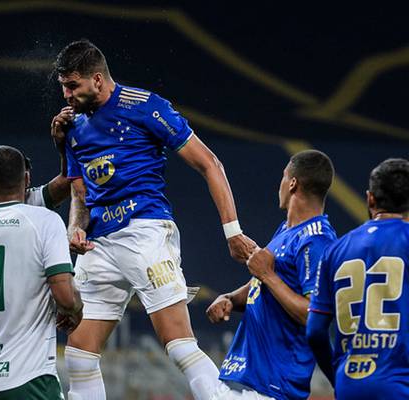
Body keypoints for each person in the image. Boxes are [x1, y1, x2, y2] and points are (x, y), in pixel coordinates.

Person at [50, 39, 257, 400]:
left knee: (178, 344)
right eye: (63, 87)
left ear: (97, 79)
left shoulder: (145, 106)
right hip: (100, 245)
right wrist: (75, 228)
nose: (67, 95)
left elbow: (209, 163)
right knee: (80, 355)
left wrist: (232, 231)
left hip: (144, 232)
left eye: (72, 86)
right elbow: (80, 194)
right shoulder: (71, 127)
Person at [0, 146, 83, 399]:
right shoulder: (44, 221)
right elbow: (66, 298)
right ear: (27, 178)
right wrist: (77, 308)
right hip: (28, 378)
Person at [206, 150, 337, 399]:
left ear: (293, 183)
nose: (280, 185)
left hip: (274, 384)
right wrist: (230, 299)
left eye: (283, 177)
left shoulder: (317, 240)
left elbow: (314, 315)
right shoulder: (286, 230)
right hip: (248, 377)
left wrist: (268, 275)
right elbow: (261, 284)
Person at [307, 158, 409, 400]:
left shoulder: (335, 250)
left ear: (370, 199)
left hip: (350, 384)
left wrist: (338, 377)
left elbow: (315, 332)